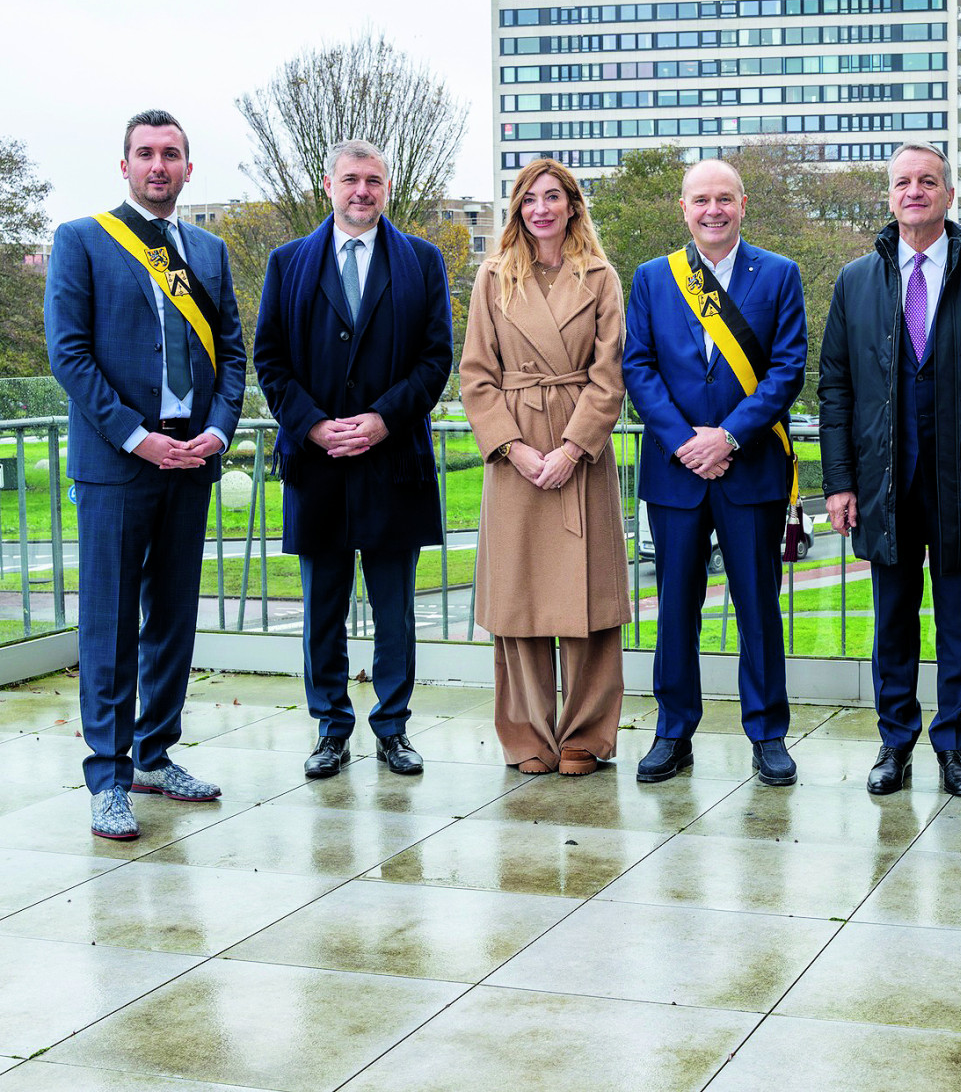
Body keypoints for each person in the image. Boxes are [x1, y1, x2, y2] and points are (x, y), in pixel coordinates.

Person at [44, 109, 247, 839]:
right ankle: (109, 774)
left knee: (171, 620)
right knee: (108, 624)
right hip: (117, 465)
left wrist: (218, 431)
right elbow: (68, 355)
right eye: (145, 154)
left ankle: (157, 756)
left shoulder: (210, 251)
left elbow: (232, 354)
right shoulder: (82, 241)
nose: (158, 165)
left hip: (190, 462)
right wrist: (136, 438)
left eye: (171, 155)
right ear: (124, 165)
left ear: (189, 169)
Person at [818, 143, 961, 797]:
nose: (915, 191)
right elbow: (835, 387)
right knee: (893, 621)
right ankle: (895, 743)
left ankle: (954, 745)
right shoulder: (857, 281)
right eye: (904, 182)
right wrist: (840, 480)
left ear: (948, 195)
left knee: (959, 623)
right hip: (885, 482)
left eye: (928, 181)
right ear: (890, 196)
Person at [254, 140, 453, 780]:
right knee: (322, 609)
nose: (361, 191)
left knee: (394, 610)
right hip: (317, 467)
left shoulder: (423, 262)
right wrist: (313, 427)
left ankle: (392, 729)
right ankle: (330, 728)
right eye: (350, 180)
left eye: (373, 180)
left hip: (394, 464)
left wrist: (382, 419)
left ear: (386, 187)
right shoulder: (287, 264)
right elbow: (271, 361)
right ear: (328, 183)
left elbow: (435, 360)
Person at [621, 159, 807, 786]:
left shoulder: (780, 275)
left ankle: (768, 735)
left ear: (743, 204)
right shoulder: (651, 278)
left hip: (749, 466)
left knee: (758, 607)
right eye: (700, 200)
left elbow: (788, 371)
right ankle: (673, 731)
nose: (712, 210)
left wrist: (727, 436)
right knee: (676, 606)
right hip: (677, 473)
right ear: (684, 208)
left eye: (724, 198)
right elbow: (638, 367)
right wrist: (685, 442)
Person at [459, 159, 630, 776]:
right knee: (521, 602)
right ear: (517, 210)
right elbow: (475, 375)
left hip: (579, 452)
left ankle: (586, 736)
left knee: (591, 603)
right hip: (516, 454)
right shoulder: (492, 277)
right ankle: (528, 737)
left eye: (552, 198)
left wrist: (572, 448)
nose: (541, 209)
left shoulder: (603, 277)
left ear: (572, 206)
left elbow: (611, 376)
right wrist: (515, 448)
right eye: (529, 200)